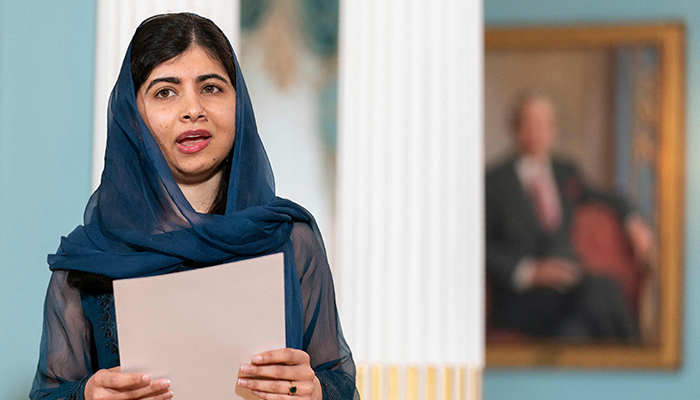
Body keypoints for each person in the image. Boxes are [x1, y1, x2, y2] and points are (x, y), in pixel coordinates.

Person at [30, 13, 357, 400]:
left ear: (240, 103)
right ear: (132, 118)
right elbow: (49, 392)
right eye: (165, 92)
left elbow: (337, 379)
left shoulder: (289, 237)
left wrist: (316, 390)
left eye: (212, 88)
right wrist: (86, 395)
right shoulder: (86, 264)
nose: (192, 109)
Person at [485, 92, 653, 340]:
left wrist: (633, 220)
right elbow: (478, 245)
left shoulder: (565, 172)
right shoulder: (493, 181)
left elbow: (605, 198)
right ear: (517, 128)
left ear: (553, 130)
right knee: (602, 292)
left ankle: (634, 361)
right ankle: (643, 364)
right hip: (522, 297)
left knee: (582, 325)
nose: (539, 130)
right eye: (532, 122)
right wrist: (530, 272)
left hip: (570, 288)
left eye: (546, 123)